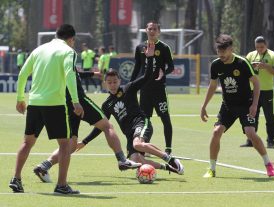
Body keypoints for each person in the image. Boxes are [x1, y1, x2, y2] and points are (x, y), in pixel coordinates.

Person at [77, 42, 184, 175]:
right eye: (109, 82)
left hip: (141, 123)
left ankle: (171, 159)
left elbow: (146, 76)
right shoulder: (107, 105)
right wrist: (85, 141)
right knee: (137, 159)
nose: (112, 85)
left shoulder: (129, 88)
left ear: (120, 81)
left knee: (138, 144)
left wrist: (150, 58)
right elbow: (101, 126)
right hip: (129, 135)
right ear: (105, 84)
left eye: (115, 81)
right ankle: (168, 168)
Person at [9, 24, 84, 194]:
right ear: (71, 39)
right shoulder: (69, 52)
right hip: (55, 104)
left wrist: (20, 99)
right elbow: (70, 74)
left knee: (27, 143)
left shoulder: (39, 49)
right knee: (65, 145)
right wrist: (75, 101)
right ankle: (62, 185)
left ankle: (16, 179)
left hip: (34, 102)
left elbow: (22, 74)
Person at [33, 68, 141, 184]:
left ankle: (44, 167)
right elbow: (72, 73)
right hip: (78, 100)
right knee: (107, 126)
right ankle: (122, 159)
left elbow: (75, 73)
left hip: (65, 104)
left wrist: (93, 74)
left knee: (72, 145)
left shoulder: (52, 60)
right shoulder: (68, 54)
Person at [200, 34, 274, 178]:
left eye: (224, 51)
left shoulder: (242, 63)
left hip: (245, 105)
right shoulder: (216, 65)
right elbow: (213, 85)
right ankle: (211, 168)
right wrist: (204, 106)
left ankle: (268, 164)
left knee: (250, 133)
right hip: (228, 105)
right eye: (218, 51)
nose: (221, 54)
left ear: (231, 49)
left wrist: (254, 105)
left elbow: (256, 83)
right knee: (216, 132)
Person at [130, 21, 174, 155]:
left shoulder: (165, 48)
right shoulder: (140, 47)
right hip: (145, 91)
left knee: (165, 119)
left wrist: (163, 72)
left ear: (158, 32)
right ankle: (144, 147)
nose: (152, 31)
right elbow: (137, 68)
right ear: (146, 30)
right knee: (145, 120)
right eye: (150, 29)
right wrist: (131, 85)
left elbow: (171, 67)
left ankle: (168, 149)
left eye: (155, 29)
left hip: (159, 90)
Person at [240, 36, 274, 148]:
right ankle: (250, 140)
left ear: (266, 45)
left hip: (267, 91)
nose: (259, 49)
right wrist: (251, 68)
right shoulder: (250, 55)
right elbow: (244, 72)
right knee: (252, 115)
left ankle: (271, 141)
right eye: (257, 47)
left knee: (269, 117)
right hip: (253, 91)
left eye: (262, 47)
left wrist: (267, 67)